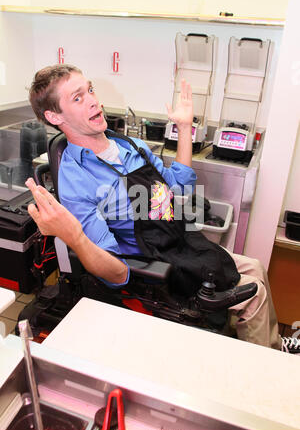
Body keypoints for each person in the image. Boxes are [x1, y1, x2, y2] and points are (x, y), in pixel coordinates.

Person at [26, 64, 298, 353]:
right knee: (253, 297)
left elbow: (179, 187)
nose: (94, 99)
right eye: (77, 98)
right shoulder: (77, 178)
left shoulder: (129, 145)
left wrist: (184, 128)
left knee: (255, 267)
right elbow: (115, 272)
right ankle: (267, 365)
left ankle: (269, 345)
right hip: (154, 262)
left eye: (90, 89)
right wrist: (74, 237)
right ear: (55, 116)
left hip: (178, 240)